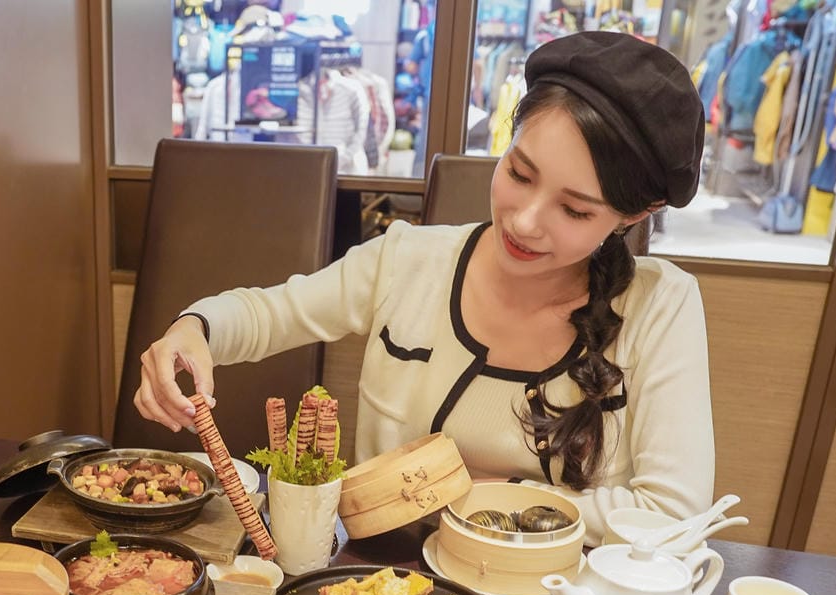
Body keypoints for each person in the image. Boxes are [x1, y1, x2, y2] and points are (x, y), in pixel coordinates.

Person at [133, 31, 713, 545]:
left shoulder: (660, 308)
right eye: (519, 173)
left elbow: (671, 514)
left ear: (634, 216)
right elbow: (267, 313)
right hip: (382, 589)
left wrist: (483, 501)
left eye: (575, 209)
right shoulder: (410, 260)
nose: (525, 221)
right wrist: (193, 330)